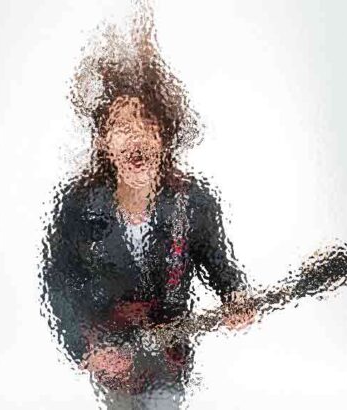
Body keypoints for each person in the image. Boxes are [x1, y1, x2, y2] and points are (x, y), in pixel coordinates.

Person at [41, 91, 256, 408]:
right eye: (122, 126)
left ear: (165, 136)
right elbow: (58, 281)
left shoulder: (194, 202)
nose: (137, 136)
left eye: (147, 123)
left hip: (169, 358)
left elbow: (219, 264)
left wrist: (235, 294)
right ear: (103, 141)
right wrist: (84, 349)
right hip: (109, 357)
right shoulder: (78, 205)